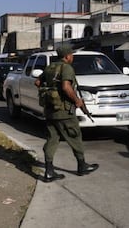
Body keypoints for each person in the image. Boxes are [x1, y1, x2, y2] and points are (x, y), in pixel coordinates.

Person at [35, 45, 98, 183]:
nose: (72, 57)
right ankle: (82, 166)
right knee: (74, 136)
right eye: (72, 55)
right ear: (67, 56)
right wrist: (77, 101)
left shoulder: (50, 67)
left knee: (52, 139)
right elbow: (66, 87)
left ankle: (49, 171)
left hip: (51, 110)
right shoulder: (66, 68)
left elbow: (38, 82)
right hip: (64, 111)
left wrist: (50, 93)